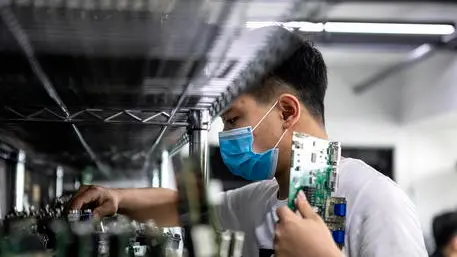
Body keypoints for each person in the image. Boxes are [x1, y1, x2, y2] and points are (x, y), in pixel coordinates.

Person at [69, 27, 428, 257]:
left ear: (286, 111)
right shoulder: (263, 198)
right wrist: (118, 198)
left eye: (234, 120)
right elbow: (183, 208)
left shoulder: (376, 199)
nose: (227, 136)